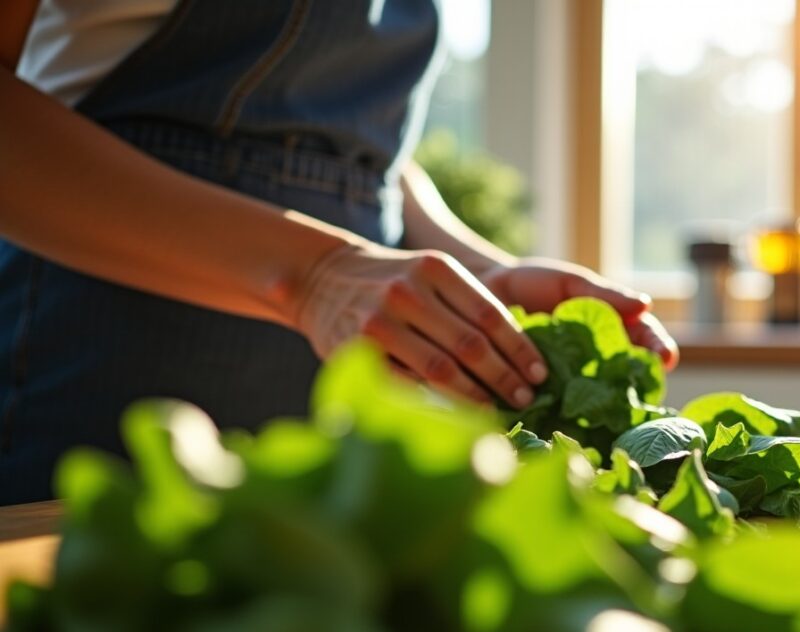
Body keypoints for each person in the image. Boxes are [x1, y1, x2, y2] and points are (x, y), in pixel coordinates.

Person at [0, 0, 679, 505]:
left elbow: (349, 152)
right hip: (89, 364)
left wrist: (478, 270)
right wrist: (316, 276)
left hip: (328, 399)